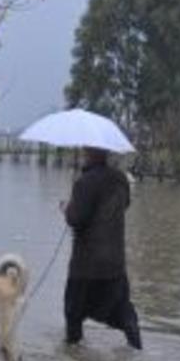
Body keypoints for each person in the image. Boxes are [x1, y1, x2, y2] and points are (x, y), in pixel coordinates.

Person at [61, 147, 142, 349]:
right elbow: (125, 205)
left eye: (85, 150)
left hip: (86, 264)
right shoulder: (120, 179)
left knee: (73, 312)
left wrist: (66, 208)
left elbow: (76, 219)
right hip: (115, 261)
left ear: (88, 153)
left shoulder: (84, 182)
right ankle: (136, 348)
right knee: (121, 310)